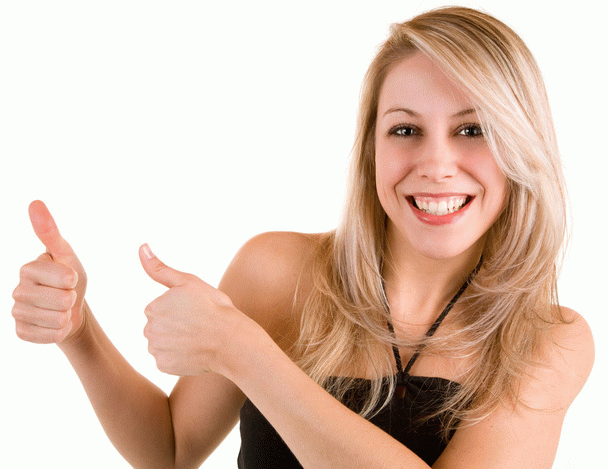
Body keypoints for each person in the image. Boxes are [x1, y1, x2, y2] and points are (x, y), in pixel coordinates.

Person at [11, 6, 594, 468]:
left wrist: (246, 354)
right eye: (405, 130)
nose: (436, 165)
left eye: (473, 129)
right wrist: (80, 332)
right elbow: (169, 449)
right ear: (370, 149)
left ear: (523, 146)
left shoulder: (547, 341)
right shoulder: (276, 271)